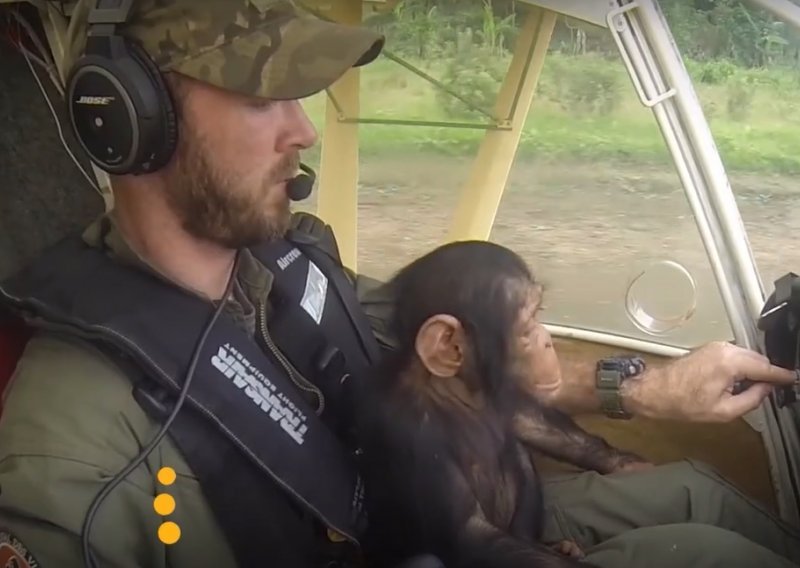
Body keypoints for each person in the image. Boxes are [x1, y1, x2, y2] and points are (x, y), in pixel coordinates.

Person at [0, 1, 797, 568]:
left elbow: (463, 359)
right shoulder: (75, 438)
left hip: (438, 518)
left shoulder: (293, 262)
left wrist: (646, 387)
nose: (303, 129)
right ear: (129, 119)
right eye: (258, 97)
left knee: (699, 495)